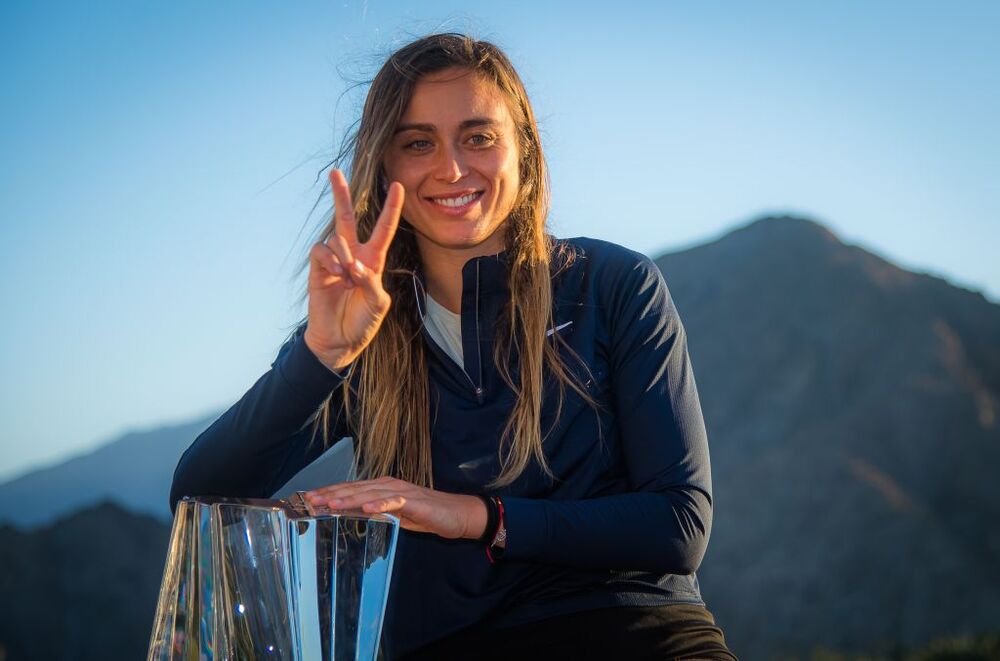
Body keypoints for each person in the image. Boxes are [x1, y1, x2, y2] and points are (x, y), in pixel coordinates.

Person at [170, 33, 736, 660]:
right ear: (385, 167)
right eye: (418, 143)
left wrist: (476, 516)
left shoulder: (612, 284)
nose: (451, 168)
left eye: (478, 137)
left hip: (634, 635)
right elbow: (200, 495)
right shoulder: (361, 332)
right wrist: (322, 354)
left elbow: (677, 525)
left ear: (525, 150)